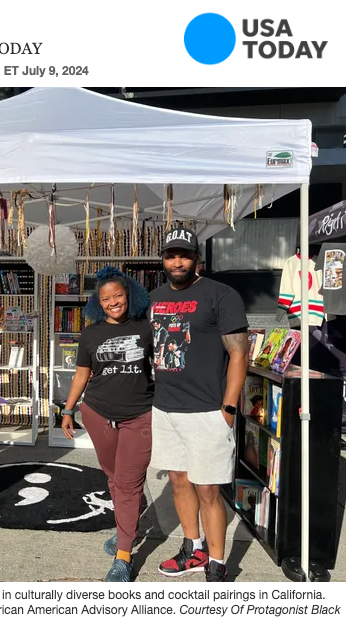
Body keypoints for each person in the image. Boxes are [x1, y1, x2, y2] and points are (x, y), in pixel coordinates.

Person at [149, 227, 249, 582]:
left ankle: (218, 565)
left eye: (184, 255)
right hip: (165, 409)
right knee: (179, 480)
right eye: (171, 255)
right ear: (163, 259)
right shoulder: (155, 297)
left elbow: (239, 354)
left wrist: (228, 408)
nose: (177, 262)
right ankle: (193, 548)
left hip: (207, 411)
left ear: (197, 259)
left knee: (208, 489)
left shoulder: (221, 295)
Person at [61, 266, 154, 582]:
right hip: (97, 414)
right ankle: (126, 527)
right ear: (97, 303)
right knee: (115, 479)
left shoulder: (146, 329)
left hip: (140, 416)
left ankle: (124, 558)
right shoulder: (91, 333)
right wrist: (68, 410)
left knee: (128, 483)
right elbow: (81, 375)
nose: (113, 302)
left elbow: (166, 365)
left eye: (118, 295)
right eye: (106, 298)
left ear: (129, 295)